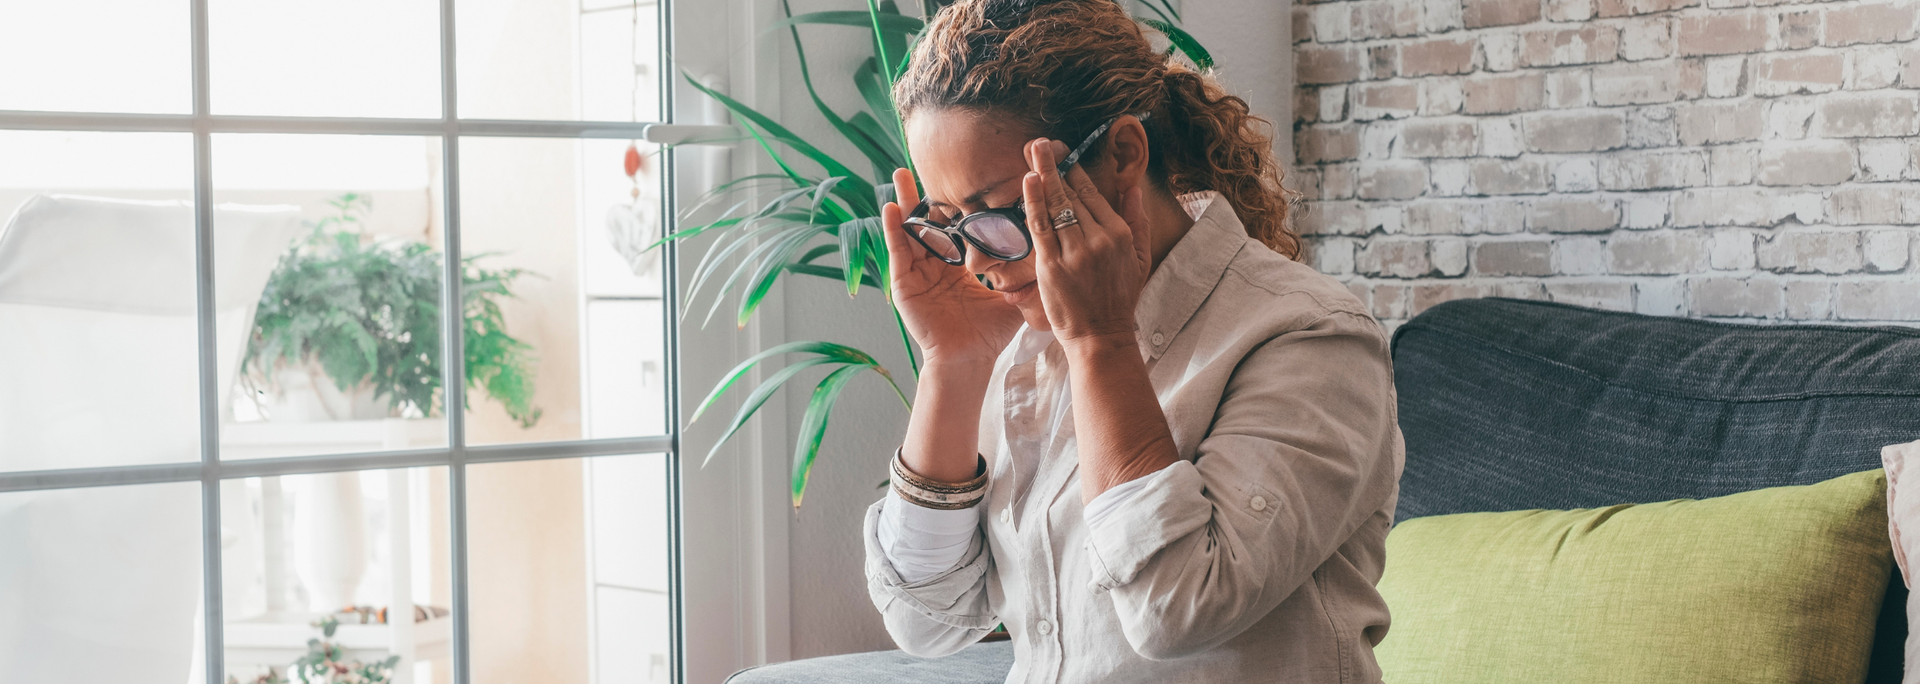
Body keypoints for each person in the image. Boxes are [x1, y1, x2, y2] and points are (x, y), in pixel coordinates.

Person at [865, 0, 1405, 681]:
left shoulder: (1311, 337)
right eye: (946, 222)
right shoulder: (1025, 345)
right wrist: (954, 363)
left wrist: (1100, 343)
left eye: (1000, 212)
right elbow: (926, 619)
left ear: (1122, 153)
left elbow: (1177, 609)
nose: (974, 260)